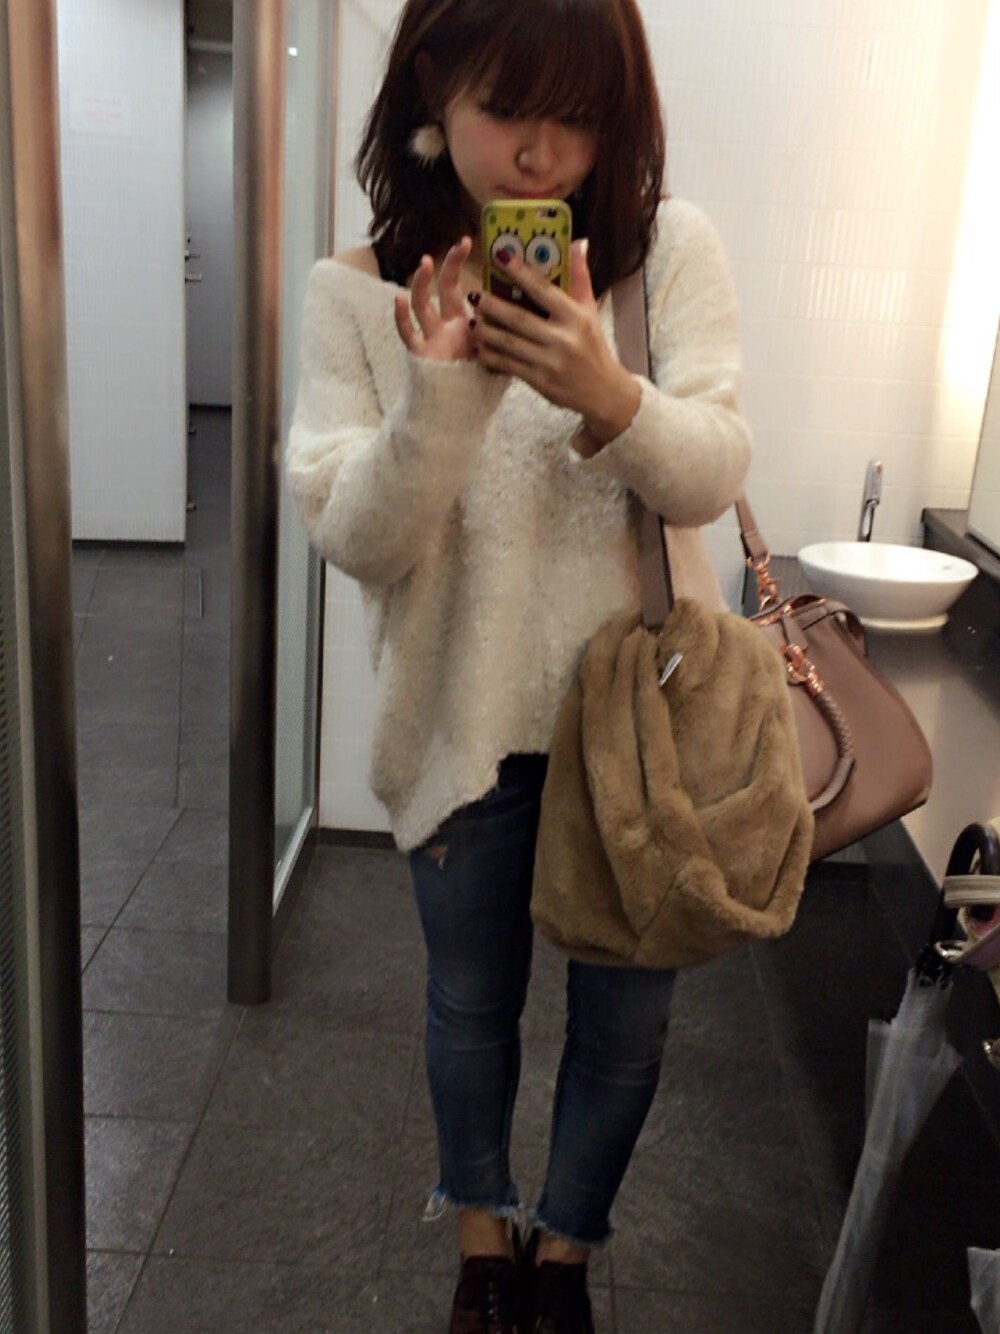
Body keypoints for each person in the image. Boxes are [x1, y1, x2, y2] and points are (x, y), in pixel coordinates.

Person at [286, 0, 752, 1328]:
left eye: (578, 116)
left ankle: (566, 1259)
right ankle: (485, 1243)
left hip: (641, 733)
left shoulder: (664, 252)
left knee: (628, 1031)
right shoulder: (355, 292)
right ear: (435, 84)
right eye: (508, 110)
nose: (543, 155)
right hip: (462, 723)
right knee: (469, 1007)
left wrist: (609, 394)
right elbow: (357, 539)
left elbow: (715, 470)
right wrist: (443, 398)